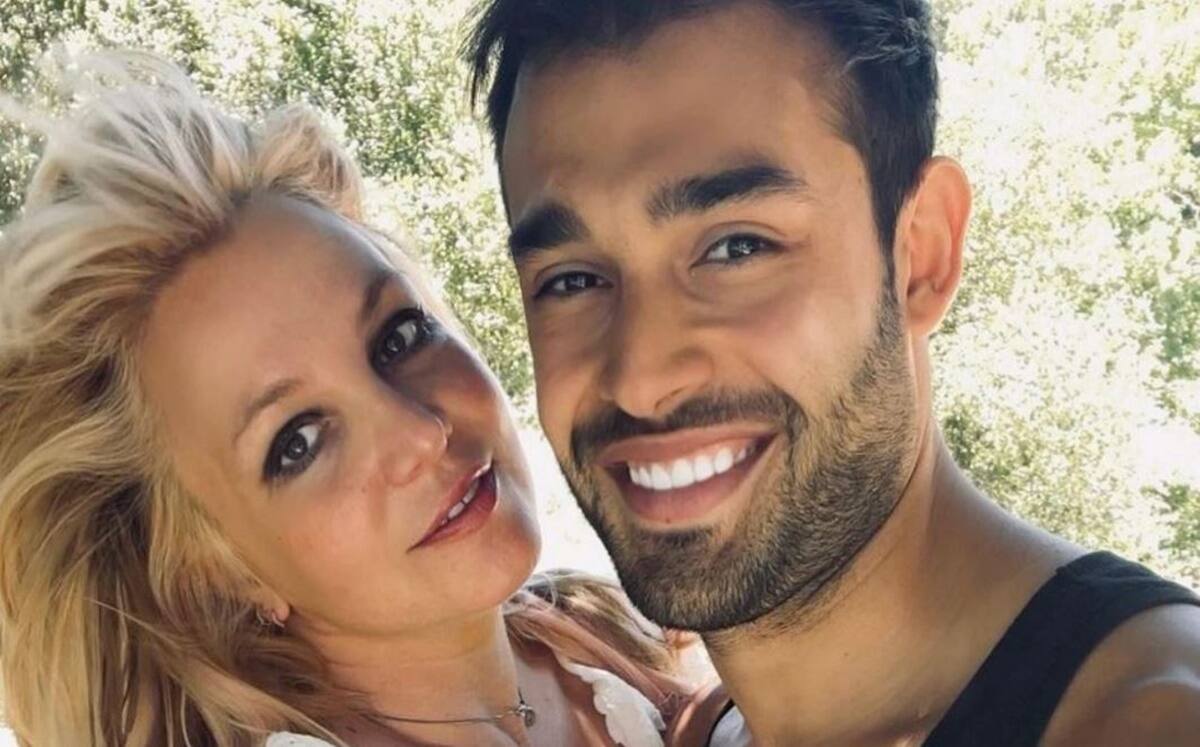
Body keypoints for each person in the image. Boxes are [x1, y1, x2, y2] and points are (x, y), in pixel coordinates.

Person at [465, 1, 1200, 744]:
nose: (640, 380)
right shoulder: (704, 728)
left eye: (738, 248)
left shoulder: (1153, 717)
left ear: (921, 254)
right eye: (572, 281)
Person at [0, 52, 694, 747]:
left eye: (399, 336)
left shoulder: (598, 632)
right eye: (298, 442)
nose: (421, 433)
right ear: (216, 571)